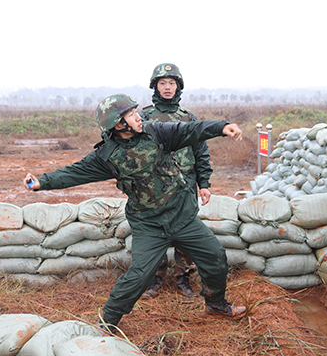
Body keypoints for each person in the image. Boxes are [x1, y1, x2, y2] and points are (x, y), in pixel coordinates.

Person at [23, 94, 246, 334]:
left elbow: (190, 129)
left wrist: (221, 127)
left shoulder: (157, 133)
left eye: (136, 112)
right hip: (149, 224)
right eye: (131, 114)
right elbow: (75, 172)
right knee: (140, 275)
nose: (139, 117)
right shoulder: (107, 157)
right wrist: (42, 182)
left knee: (215, 257)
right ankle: (108, 322)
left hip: (182, 217)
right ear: (119, 124)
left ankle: (215, 304)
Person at [139, 63, 208, 300]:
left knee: (185, 230)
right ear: (155, 87)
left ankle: (183, 278)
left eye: (171, 83)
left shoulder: (188, 117)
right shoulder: (143, 117)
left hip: (184, 184)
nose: (167, 87)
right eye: (162, 83)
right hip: (153, 187)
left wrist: (204, 183)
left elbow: (201, 151)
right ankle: (154, 279)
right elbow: (131, 151)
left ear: (178, 86)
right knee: (155, 231)